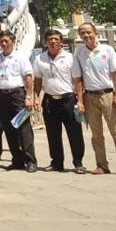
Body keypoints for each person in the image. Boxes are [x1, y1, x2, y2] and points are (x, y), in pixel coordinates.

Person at [73, 22, 116, 177]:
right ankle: (102, 165)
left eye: (88, 32)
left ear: (96, 33)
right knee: (96, 134)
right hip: (89, 96)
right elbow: (78, 79)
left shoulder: (107, 50)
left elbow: (115, 74)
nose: (86, 36)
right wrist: (80, 101)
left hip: (107, 95)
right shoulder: (79, 53)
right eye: (82, 33)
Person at [29, 28, 84, 174]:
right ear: (45, 42)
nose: (53, 42)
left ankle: (78, 162)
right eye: (50, 40)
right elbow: (38, 80)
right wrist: (36, 98)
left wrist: (80, 101)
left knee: (74, 132)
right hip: (50, 100)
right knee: (53, 134)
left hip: (68, 99)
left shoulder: (70, 58)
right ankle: (57, 162)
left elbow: (77, 80)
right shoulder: (40, 58)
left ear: (61, 42)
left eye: (56, 40)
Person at [0, 31, 37, 172]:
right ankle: (17, 160)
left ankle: (30, 160)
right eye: (1, 41)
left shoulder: (20, 57)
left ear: (13, 42)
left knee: (23, 128)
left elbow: (28, 77)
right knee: (9, 129)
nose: (4, 44)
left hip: (18, 95)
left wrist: (28, 97)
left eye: (6, 41)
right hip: (2, 96)